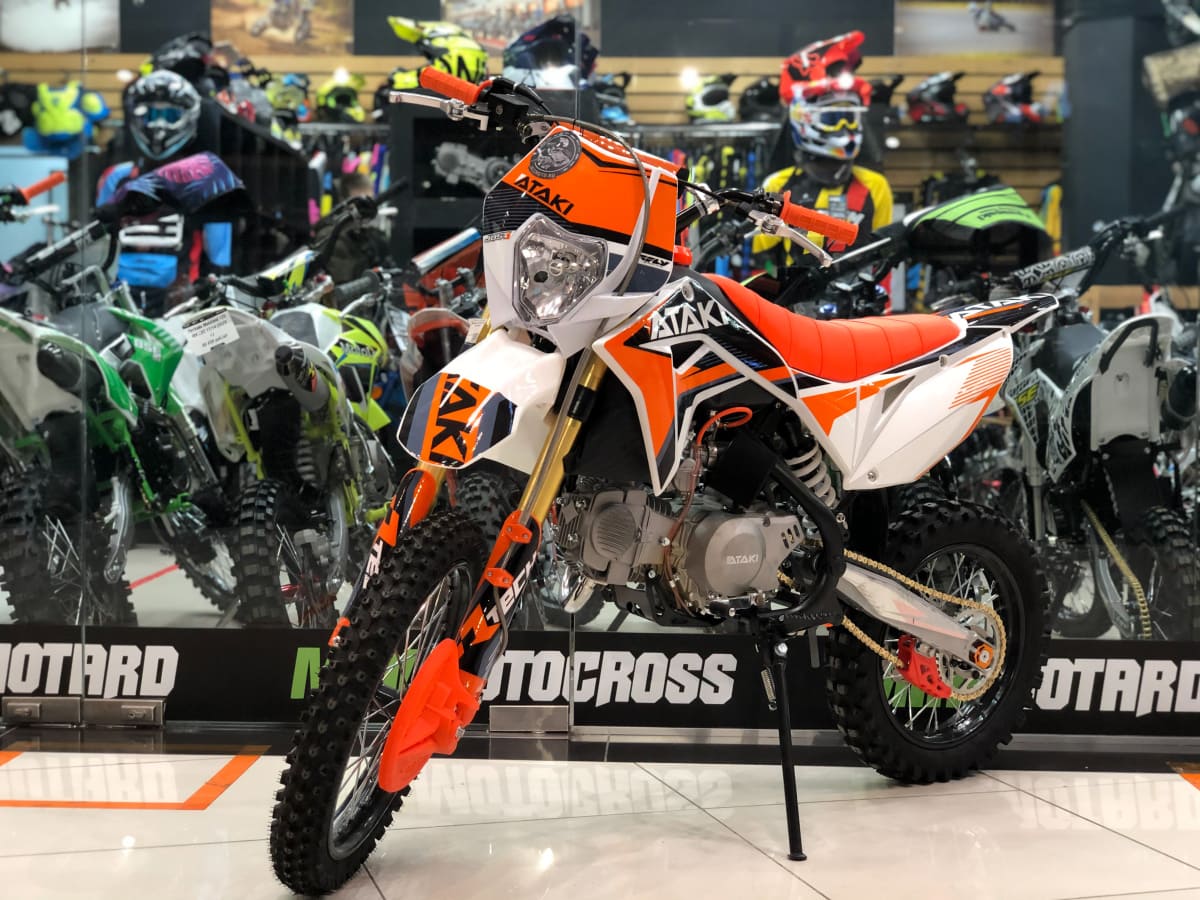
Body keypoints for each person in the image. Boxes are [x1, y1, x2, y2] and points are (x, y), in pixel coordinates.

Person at [96, 70, 232, 316]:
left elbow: (218, 261)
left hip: (179, 301)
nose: (159, 125)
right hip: (117, 298)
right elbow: (98, 243)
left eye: (170, 115)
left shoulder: (208, 182)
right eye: (151, 114)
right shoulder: (115, 177)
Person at [754, 74, 893, 271]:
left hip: (854, 288)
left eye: (850, 120)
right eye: (833, 119)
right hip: (796, 288)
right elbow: (764, 257)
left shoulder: (875, 185)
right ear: (804, 121)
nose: (844, 128)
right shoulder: (778, 184)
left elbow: (882, 253)